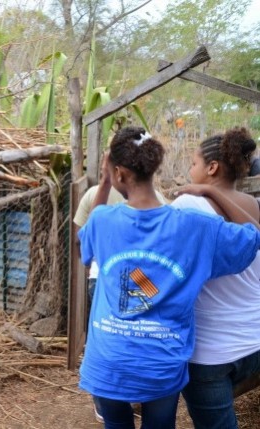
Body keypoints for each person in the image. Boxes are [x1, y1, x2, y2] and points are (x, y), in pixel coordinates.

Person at [78, 126, 260, 429]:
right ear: (154, 167)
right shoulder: (194, 226)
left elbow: (85, 243)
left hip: (108, 360)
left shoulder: (102, 220)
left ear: (119, 174)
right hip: (161, 362)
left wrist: (104, 183)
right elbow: (253, 236)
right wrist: (213, 191)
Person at [171, 127, 260, 429]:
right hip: (254, 340)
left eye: (194, 164)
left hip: (210, 353)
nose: (189, 171)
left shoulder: (187, 205)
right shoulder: (253, 206)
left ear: (212, 167)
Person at [73, 183, 165, 423]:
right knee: (137, 335)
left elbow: (79, 242)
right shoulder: (159, 199)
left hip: (105, 276)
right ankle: (134, 394)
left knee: (108, 336)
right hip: (139, 276)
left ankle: (109, 400)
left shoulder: (95, 195)